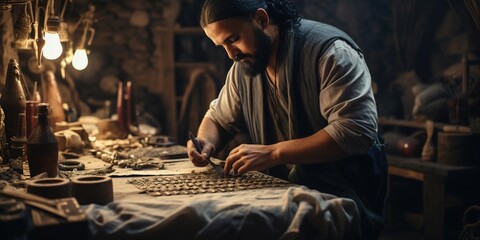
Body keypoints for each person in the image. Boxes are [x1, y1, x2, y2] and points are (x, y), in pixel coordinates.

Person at [187, 0, 388, 239]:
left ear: (261, 19)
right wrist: (205, 142)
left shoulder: (330, 52)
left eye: (233, 39)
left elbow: (355, 131)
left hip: (342, 195)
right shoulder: (244, 66)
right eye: (222, 45)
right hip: (281, 193)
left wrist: (273, 153)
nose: (231, 54)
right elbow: (218, 119)